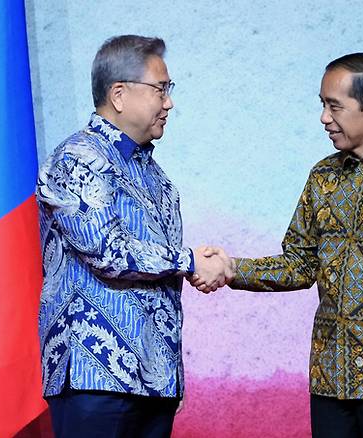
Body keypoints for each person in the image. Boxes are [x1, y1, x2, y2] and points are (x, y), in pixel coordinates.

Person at [192, 53, 363, 438]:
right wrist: (232, 267)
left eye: (334, 105)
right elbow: (300, 264)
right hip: (330, 378)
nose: (323, 117)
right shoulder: (323, 176)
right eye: (322, 104)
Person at [36, 35, 228, 438]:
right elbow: (109, 252)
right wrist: (190, 261)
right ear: (119, 94)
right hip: (95, 376)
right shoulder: (78, 158)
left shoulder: (157, 178)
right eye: (161, 89)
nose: (169, 102)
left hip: (153, 382)